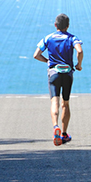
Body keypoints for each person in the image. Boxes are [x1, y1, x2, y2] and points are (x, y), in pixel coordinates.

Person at [33, 14, 83, 146]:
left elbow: (36, 55)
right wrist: (79, 64)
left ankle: (55, 126)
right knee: (65, 103)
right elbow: (79, 50)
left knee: (54, 101)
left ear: (55, 25)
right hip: (67, 73)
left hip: (54, 72)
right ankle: (64, 134)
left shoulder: (48, 38)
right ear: (68, 26)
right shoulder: (72, 38)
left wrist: (47, 61)